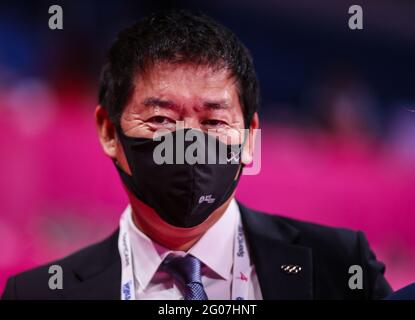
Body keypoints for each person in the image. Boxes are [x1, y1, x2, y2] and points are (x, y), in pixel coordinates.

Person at [2, 9, 391, 300]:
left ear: (250, 139)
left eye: (213, 122)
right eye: (161, 118)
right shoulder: (40, 294)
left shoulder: (340, 266)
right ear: (108, 131)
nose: (188, 143)